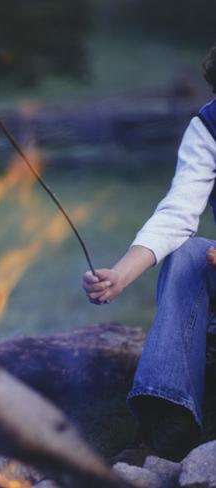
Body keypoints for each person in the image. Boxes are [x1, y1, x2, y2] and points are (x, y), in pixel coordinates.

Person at [82, 47, 216, 465]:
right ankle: (169, 416)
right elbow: (179, 212)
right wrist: (121, 275)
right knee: (187, 255)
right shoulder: (209, 126)